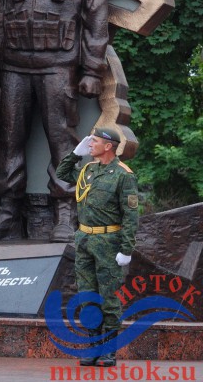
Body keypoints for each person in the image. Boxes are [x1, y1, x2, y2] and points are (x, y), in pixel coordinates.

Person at [0, 0, 109, 242]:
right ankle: (7, 210)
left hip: (58, 64)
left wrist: (93, 69)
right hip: (11, 64)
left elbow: (97, 15)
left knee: (62, 141)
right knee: (8, 140)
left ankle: (65, 210)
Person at [56, 127, 139, 367]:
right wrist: (75, 153)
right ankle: (93, 348)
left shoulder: (123, 175)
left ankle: (108, 351)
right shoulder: (88, 170)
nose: (90, 144)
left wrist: (126, 249)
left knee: (109, 297)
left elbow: (130, 216)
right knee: (87, 296)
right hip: (84, 241)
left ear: (108, 146)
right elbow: (62, 173)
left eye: (94, 142)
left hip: (108, 243)